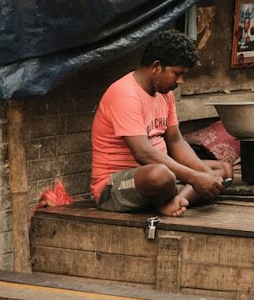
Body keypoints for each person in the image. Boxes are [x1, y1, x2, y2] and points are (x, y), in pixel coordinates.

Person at [91, 31, 232, 217]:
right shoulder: (125, 94)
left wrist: (205, 173)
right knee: (161, 175)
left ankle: (173, 200)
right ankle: (175, 196)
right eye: (177, 74)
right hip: (114, 188)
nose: (180, 81)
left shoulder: (166, 94)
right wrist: (195, 178)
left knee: (222, 169)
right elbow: (143, 154)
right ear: (156, 67)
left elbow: (176, 142)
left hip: (165, 178)